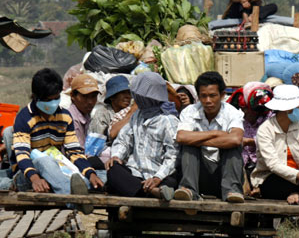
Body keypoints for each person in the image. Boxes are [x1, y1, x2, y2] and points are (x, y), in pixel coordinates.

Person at [11, 68, 104, 213]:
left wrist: (90, 173)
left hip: (57, 170)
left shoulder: (65, 117)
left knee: (96, 176)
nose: (54, 103)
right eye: (49, 100)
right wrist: (35, 178)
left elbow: (74, 151)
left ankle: (79, 190)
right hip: (29, 174)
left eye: (57, 98)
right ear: (36, 97)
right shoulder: (24, 118)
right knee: (44, 161)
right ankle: (75, 202)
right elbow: (22, 154)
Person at [251, 85, 299, 227]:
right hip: (271, 180)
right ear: (287, 109)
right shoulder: (265, 130)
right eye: (298, 106)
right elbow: (273, 165)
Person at [174, 71, 245, 203]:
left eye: (213, 96)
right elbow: (181, 137)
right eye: (203, 96)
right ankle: (189, 189)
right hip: (200, 174)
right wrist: (216, 134)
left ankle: (232, 190)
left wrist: (197, 139)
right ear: (198, 97)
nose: (208, 101)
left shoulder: (232, 112)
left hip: (223, 174)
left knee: (233, 147)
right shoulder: (190, 111)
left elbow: (235, 139)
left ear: (222, 95)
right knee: (189, 146)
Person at [106, 72, 179, 200]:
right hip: (136, 173)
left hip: (160, 176)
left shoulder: (168, 120)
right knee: (114, 169)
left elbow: (173, 155)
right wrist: (117, 156)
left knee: (172, 182)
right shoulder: (136, 116)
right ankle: (152, 192)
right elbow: (123, 140)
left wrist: (157, 178)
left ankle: (142, 190)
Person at [227, 81, 273, 181]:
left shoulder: (271, 119)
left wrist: (249, 141)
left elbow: (273, 140)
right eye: (242, 109)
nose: (244, 112)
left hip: (266, 167)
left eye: (246, 109)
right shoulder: (238, 119)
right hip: (243, 166)